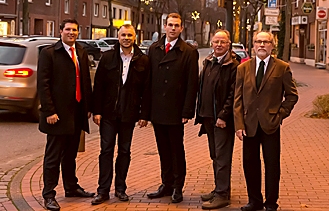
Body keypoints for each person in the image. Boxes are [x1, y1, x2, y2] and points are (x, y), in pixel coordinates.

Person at [234, 31, 298, 211]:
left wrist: (280, 115)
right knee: (250, 164)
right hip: (249, 125)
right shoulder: (243, 68)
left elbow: (292, 95)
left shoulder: (281, 67)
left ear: (272, 45)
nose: (262, 45)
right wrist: (239, 124)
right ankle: (254, 201)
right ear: (253, 45)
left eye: (266, 42)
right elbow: (237, 99)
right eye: (258, 42)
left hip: (270, 124)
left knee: (272, 165)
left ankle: (271, 202)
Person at [37, 19, 94, 211]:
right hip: (58, 114)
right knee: (53, 156)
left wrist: (88, 106)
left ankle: (71, 187)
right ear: (60, 31)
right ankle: (49, 195)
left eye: (74, 30)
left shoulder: (82, 52)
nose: (71, 33)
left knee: (70, 155)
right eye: (68, 29)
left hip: (76, 113)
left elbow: (85, 80)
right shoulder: (49, 53)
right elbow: (43, 84)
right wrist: (49, 111)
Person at [91, 24, 150, 205]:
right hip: (109, 114)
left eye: (129, 35)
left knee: (124, 152)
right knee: (106, 151)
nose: (126, 38)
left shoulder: (142, 60)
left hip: (129, 114)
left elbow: (146, 90)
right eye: (123, 35)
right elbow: (99, 86)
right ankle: (102, 191)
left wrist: (144, 114)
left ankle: (120, 189)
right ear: (118, 37)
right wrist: (97, 111)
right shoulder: (108, 58)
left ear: (134, 37)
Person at [145, 13, 199, 204]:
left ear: (181, 28)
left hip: (176, 110)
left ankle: (177, 186)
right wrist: (146, 110)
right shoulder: (154, 49)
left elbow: (192, 84)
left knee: (176, 150)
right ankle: (166, 183)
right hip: (158, 109)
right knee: (163, 149)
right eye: (170, 25)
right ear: (164, 26)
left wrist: (187, 111)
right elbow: (148, 81)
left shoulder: (189, 52)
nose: (173, 28)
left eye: (176, 25)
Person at [195, 29, 239, 210]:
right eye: (216, 42)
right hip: (208, 117)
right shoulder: (209, 62)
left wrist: (223, 115)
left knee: (222, 157)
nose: (219, 45)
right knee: (215, 155)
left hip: (221, 120)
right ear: (212, 44)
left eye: (222, 42)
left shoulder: (233, 66)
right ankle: (220, 189)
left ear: (229, 44)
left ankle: (222, 195)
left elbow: (233, 94)